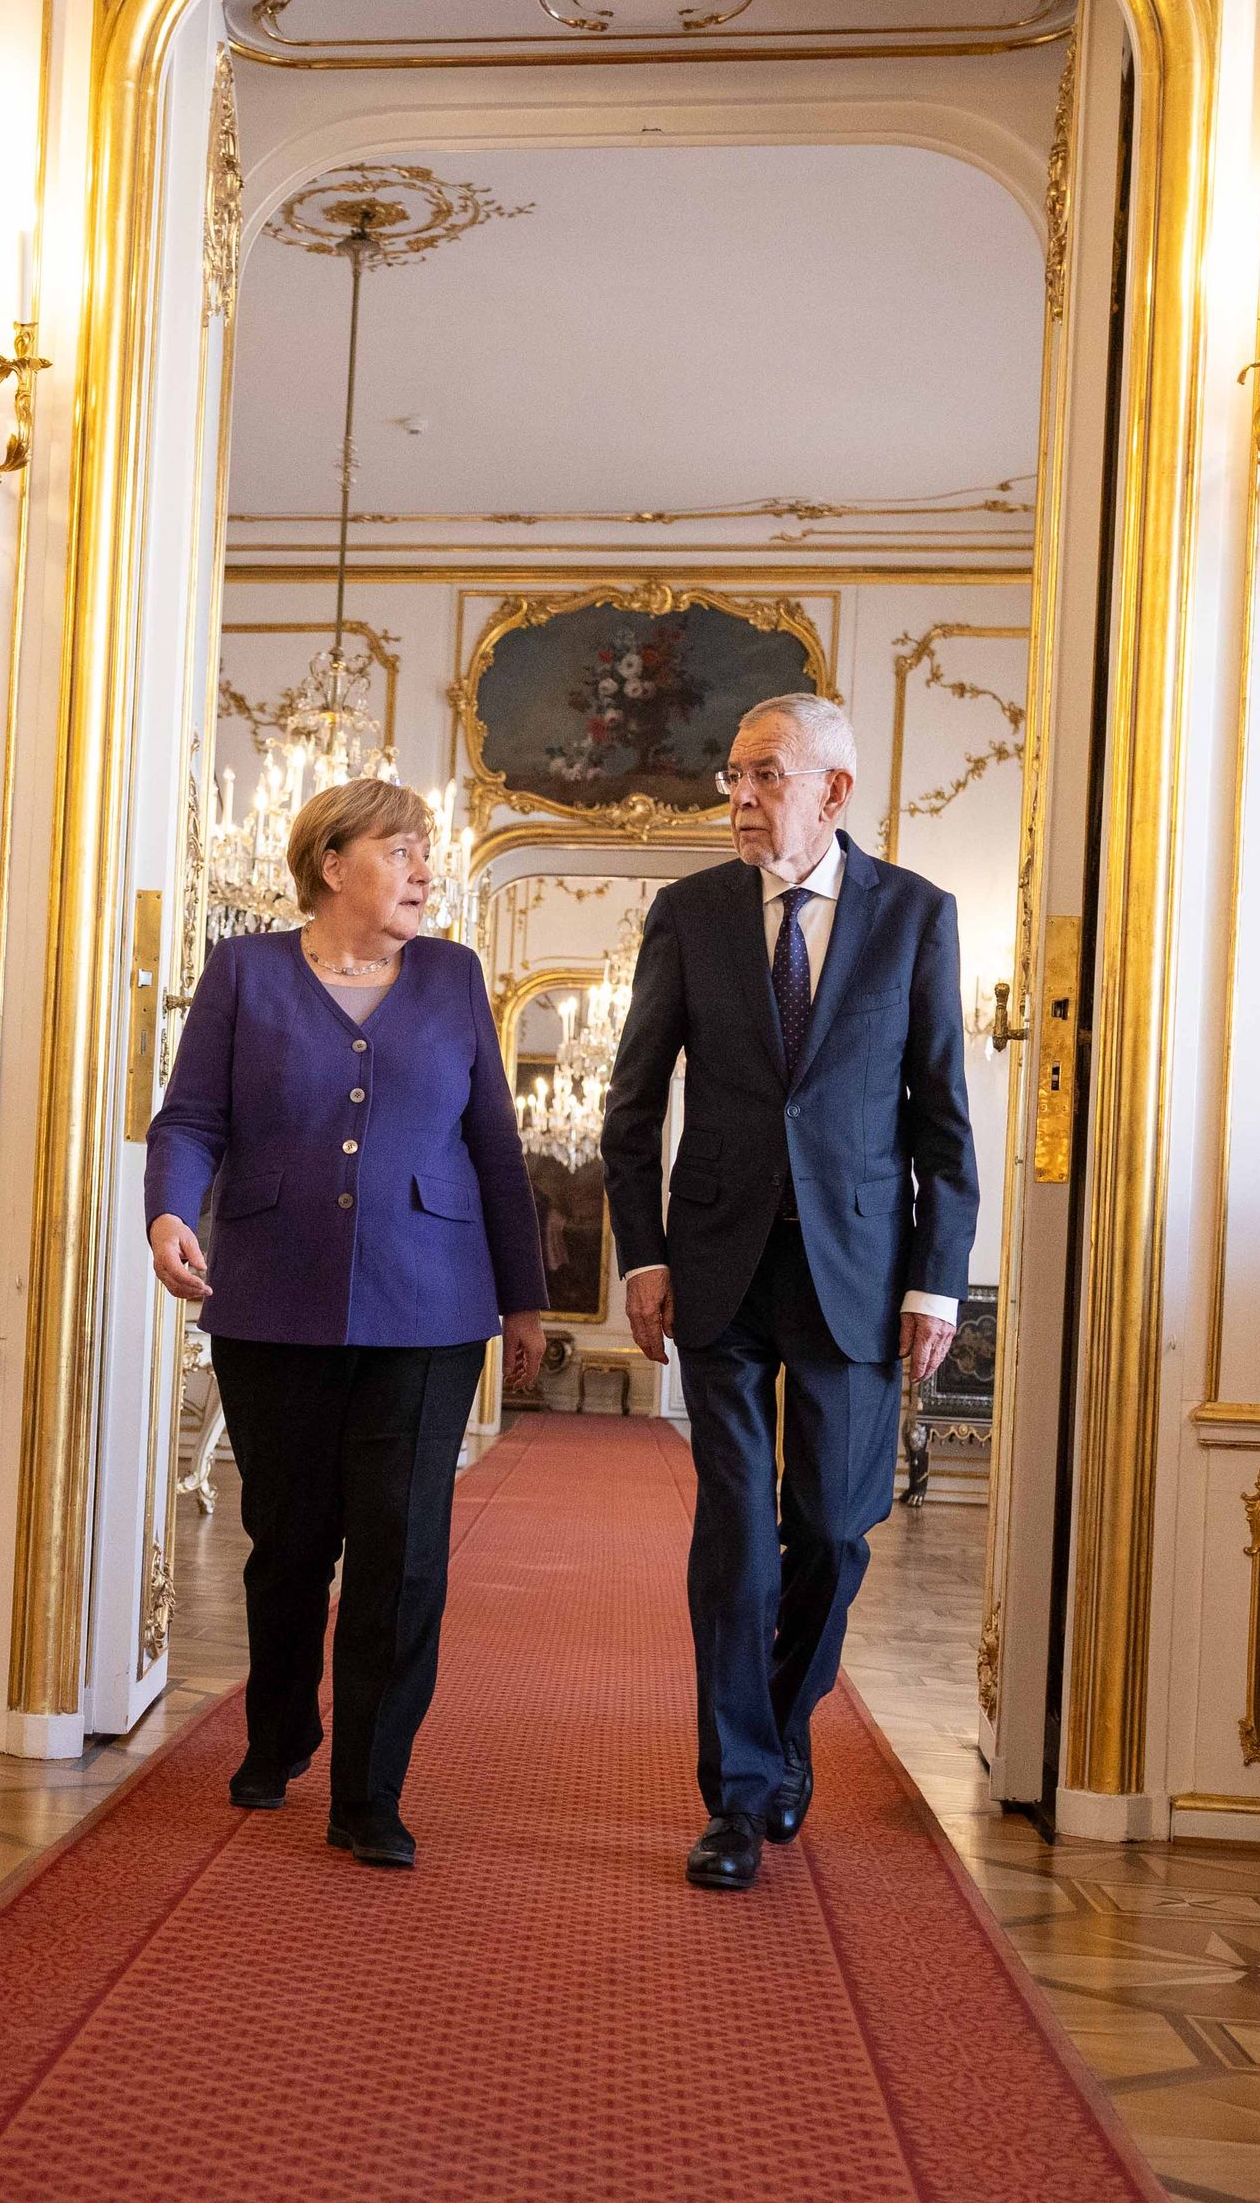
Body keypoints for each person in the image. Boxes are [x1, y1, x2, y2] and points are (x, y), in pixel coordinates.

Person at [601, 693, 978, 1892]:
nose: (741, 797)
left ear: (834, 790)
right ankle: (737, 1794)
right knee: (734, 1536)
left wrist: (938, 1281)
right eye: (733, 775)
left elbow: (941, 1120)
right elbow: (630, 1104)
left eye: (765, 774)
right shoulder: (690, 914)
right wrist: (643, 1253)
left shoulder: (916, 917)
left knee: (826, 1527)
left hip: (859, 1274)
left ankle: (780, 1718)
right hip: (714, 1265)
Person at [145, 777, 543, 1871]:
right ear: (332, 864)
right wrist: (172, 1210)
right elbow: (191, 1115)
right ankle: (280, 1727)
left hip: (432, 1306)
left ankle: (371, 1791)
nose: (425, 870)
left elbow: (496, 1148)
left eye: (427, 854)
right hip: (272, 1296)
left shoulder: (456, 976)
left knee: (403, 1552)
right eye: (402, 850)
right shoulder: (245, 972)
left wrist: (526, 1297)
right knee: (288, 1543)